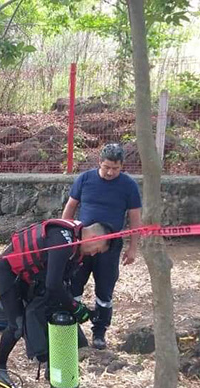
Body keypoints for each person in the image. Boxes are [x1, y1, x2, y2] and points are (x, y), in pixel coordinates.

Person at [0, 220, 112, 382]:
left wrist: (77, 308)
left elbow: (61, 283)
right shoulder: (62, 242)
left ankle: (52, 365)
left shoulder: (77, 239)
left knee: (50, 309)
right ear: (94, 238)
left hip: (29, 276)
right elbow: (53, 284)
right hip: (7, 273)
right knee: (17, 325)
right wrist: (75, 307)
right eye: (97, 249)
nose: (94, 254)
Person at [62, 143, 142, 350]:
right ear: (99, 162)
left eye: (115, 168)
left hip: (110, 247)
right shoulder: (85, 179)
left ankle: (99, 331)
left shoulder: (129, 186)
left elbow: (135, 219)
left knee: (105, 290)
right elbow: (70, 208)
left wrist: (133, 248)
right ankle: (72, 328)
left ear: (122, 166)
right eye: (107, 167)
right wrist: (66, 239)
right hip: (82, 244)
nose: (110, 172)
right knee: (74, 285)